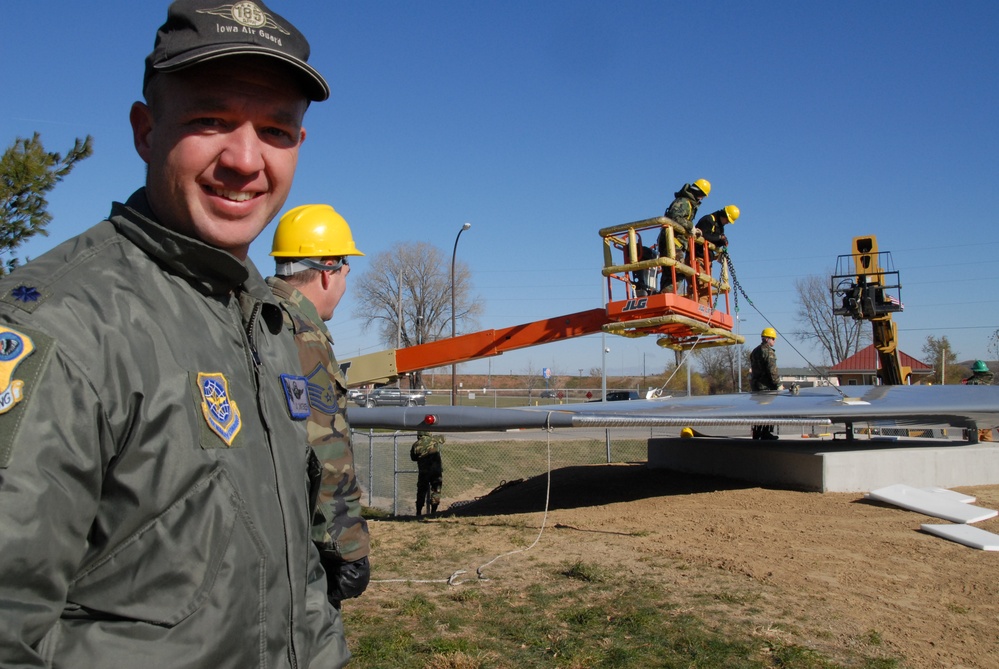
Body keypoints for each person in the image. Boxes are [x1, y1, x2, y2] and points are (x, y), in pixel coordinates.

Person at [0, 2, 351, 666]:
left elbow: (294, 577)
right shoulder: (60, 328)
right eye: (209, 120)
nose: (246, 160)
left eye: (276, 129)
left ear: (298, 146)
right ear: (145, 129)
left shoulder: (268, 324)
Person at [267, 204, 372, 609]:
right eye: (346, 273)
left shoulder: (249, 312)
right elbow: (324, 448)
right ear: (328, 270)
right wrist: (347, 548)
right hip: (295, 545)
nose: (344, 285)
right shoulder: (302, 336)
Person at [658, 179, 710, 293]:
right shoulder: (684, 202)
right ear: (698, 193)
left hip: (675, 242)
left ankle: (665, 297)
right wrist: (690, 227)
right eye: (702, 196)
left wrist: (692, 230)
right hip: (672, 242)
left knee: (671, 273)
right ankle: (668, 299)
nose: (701, 199)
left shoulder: (688, 203)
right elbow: (674, 217)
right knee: (677, 272)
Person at [689, 205, 740, 306]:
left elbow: (714, 240)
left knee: (706, 289)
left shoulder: (720, 227)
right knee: (698, 287)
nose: (727, 223)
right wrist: (719, 237)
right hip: (697, 257)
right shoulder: (708, 220)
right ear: (724, 215)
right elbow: (703, 235)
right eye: (728, 220)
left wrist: (722, 241)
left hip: (707, 260)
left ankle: (704, 314)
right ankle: (698, 313)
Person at [750, 327, 781, 440]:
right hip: (766, 387)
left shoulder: (755, 351)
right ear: (768, 339)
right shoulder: (769, 352)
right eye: (773, 338)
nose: (774, 341)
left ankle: (757, 432)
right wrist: (778, 384)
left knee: (758, 411)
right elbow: (772, 371)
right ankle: (766, 432)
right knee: (768, 411)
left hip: (756, 386)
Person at [411, 431, 445, 516]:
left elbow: (413, 457)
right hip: (436, 471)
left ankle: (418, 512)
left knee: (421, 492)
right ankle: (433, 511)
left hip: (424, 472)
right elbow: (443, 438)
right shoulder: (435, 440)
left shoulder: (416, 444)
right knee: (436, 490)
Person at [964, 360, 995, 442]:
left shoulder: (971, 384)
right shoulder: (988, 382)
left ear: (974, 371)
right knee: (987, 443)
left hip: (974, 421)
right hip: (986, 420)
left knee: (971, 443)